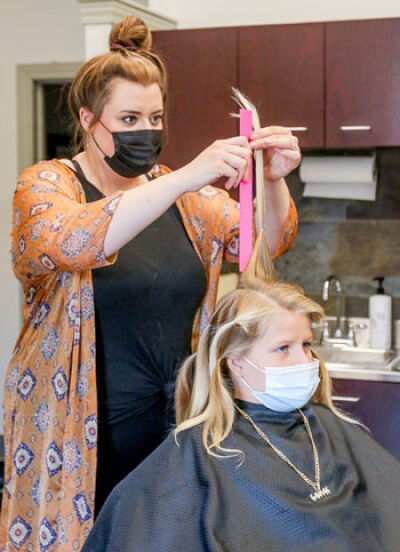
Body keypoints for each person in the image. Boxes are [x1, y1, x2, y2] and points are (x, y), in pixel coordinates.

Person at [0, 14, 300, 552]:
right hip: (77, 443)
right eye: (131, 117)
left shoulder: (183, 199)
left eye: (156, 117)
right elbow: (73, 241)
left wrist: (273, 182)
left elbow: (262, 245)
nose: (148, 131)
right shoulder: (47, 185)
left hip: (172, 435)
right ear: (89, 119)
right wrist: (188, 173)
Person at [82, 118, 400, 552]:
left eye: (307, 345)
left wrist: (272, 181)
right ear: (234, 361)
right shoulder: (197, 458)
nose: (305, 362)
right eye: (283, 348)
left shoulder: (330, 429)